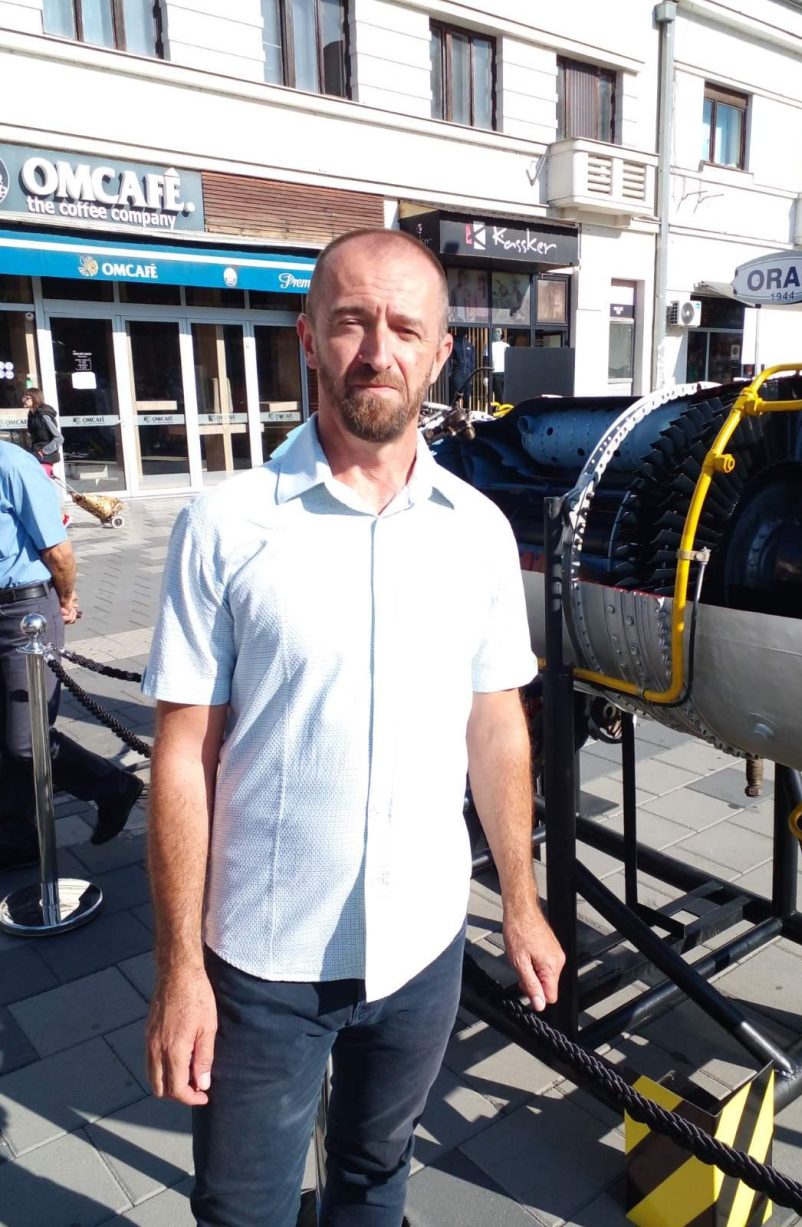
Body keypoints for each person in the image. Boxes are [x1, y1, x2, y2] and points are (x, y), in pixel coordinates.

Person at [143, 227, 564, 1227]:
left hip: (422, 947)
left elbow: (496, 725)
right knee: (241, 1209)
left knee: (377, 1178)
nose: (378, 351)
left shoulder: (477, 530)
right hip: (263, 963)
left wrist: (521, 901)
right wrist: (179, 970)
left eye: (405, 328)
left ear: (440, 352)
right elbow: (182, 756)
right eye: (351, 322)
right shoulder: (226, 525)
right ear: (308, 338)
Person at [0, 443, 143, 871]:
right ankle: (19, 837)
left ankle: (112, 787)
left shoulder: (12, 464)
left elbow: (58, 552)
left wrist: (65, 599)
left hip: (21, 613)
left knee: (27, 740)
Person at [23, 387, 70, 528]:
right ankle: (52, 517)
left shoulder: (44, 415)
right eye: (24, 397)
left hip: (46, 456)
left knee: (43, 486)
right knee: (43, 485)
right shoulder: (32, 415)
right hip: (36, 455)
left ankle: (62, 517)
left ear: (35, 398)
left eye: (27, 397)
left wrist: (44, 451)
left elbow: (59, 438)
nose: (24, 400)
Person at [448, 330, 476, 406]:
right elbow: (449, 358)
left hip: (468, 374)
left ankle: (466, 410)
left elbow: (472, 362)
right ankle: (453, 409)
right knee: (456, 393)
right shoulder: (455, 343)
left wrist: (472, 373)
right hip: (458, 371)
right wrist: (449, 371)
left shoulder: (470, 346)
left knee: (467, 395)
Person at [490, 327, 510, 403]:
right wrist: (485, 376)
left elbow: (510, 360)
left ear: (501, 333)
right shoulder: (489, 345)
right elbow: (485, 360)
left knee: (505, 396)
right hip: (495, 373)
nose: (496, 334)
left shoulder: (506, 345)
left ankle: (499, 409)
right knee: (499, 396)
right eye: (495, 332)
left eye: (498, 332)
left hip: (505, 373)